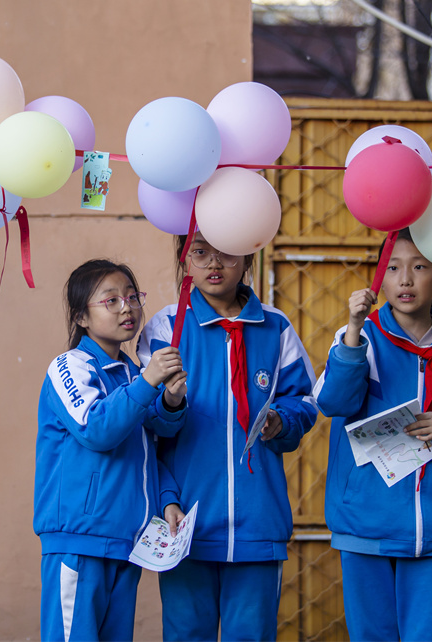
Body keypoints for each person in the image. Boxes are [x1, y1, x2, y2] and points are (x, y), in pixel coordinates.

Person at [313, 228, 432, 641]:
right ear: (379, 278)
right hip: (365, 524)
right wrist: (351, 329)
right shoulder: (359, 338)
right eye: (394, 268)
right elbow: (331, 402)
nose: (405, 279)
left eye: (419, 267)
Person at [138, 234, 319, 641]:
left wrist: (281, 420)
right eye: (200, 251)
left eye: (227, 250)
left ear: (249, 256)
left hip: (259, 523)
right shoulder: (166, 327)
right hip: (185, 524)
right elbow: (146, 423)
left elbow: (305, 401)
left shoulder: (276, 327)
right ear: (184, 259)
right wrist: (169, 402)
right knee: (186, 634)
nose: (214, 263)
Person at [35, 259, 188, 642]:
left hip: (126, 541)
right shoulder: (69, 366)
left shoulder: (133, 373)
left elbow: (151, 441)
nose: (127, 308)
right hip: (79, 540)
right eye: (111, 300)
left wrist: (170, 400)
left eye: (133, 297)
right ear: (81, 318)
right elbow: (97, 429)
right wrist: (149, 381)